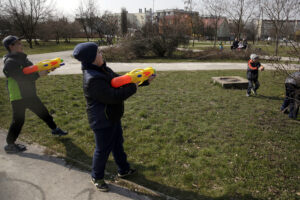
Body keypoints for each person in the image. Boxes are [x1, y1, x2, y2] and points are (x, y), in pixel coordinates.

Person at [73, 42, 155, 192]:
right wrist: (135, 87)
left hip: (112, 117)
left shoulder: (103, 69)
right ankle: (96, 176)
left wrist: (143, 81)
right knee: (102, 150)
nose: (101, 53)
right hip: (101, 121)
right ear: (91, 57)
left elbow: (122, 82)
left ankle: (123, 170)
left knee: (118, 143)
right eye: (98, 52)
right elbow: (114, 96)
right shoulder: (93, 79)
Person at [2, 35, 68, 154]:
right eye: (18, 43)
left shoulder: (23, 59)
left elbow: (34, 71)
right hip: (18, 96)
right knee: (18, 121)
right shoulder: (10, 62)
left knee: (44, 113)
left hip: (29, 93)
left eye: (20, 43)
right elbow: (21, 78)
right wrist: (38, 75)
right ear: (10, 46)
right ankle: (10, 145)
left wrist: (48, 69)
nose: (21, 45)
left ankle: (55, 129)